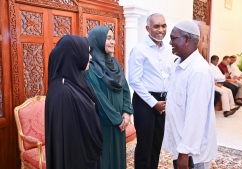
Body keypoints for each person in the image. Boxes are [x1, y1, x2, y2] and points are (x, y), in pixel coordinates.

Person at [163, 20, 217, 169]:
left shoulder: (198, 71)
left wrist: (185, 152)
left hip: (193, 153)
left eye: (173, 38)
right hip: (181, 144)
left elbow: (196, 116)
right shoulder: (178, 64)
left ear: (187, 39)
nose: (170, 42)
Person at [45, 35, 103, 169]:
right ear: (75, 55)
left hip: (87, 153)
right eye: (87, 52)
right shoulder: (62, 91)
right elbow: (66, 143)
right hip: (77, 160)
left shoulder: (76, 82)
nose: (90, 57)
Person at [83, 26, 134, 169]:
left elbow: (125, 88)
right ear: (97, 40)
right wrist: (117, 120)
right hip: (103, 123)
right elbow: (98, 97)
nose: (113, 42)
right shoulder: (90, 67)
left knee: (118, 158)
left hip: (120, 123)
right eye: (108, 38)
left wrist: (126, 112)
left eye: (113, 38)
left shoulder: (115, 63)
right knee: (105, 159)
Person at [128, 13, 174, 169]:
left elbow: (170, 76)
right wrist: (154, 103)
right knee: (144, 145)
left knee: (156, 143)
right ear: (148, 28)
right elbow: (134, 80)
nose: (160, 30)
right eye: (156, 26)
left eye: (163, 25)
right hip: (145, 101)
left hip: (163, 101)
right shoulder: (139, 49)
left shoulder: (168, 50)